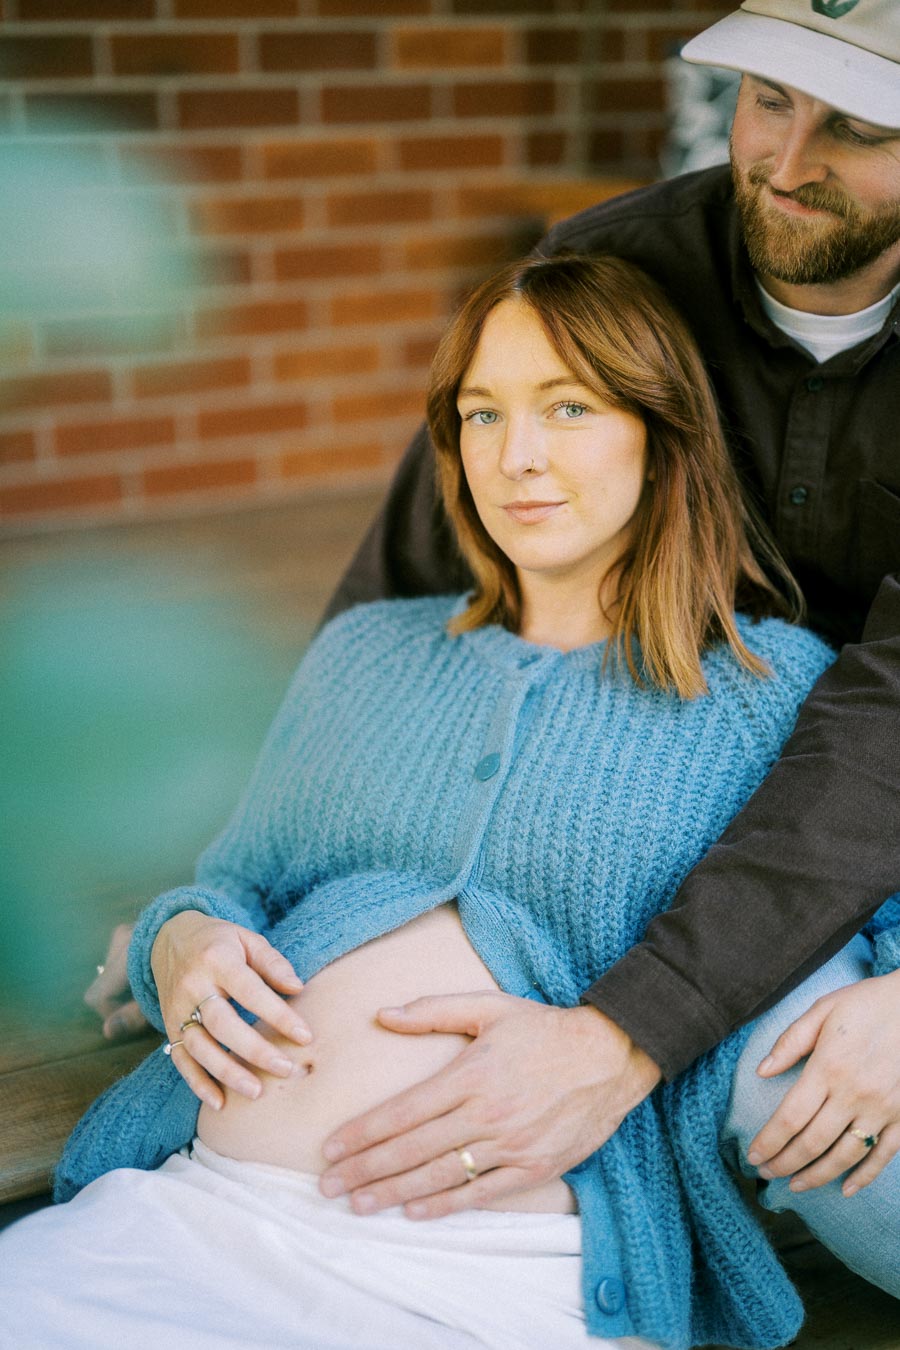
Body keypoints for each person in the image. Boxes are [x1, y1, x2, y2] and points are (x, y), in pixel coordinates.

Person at [83, 0, 900, 1295]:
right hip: (208, 1213)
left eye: (853, 126)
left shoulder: (763, 691)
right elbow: (404, 588)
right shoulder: (623, 261)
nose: (787, 160)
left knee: (832, 1088)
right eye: (766, 102)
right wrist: (206, 896)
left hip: (830, 794)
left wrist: (645, 1032)